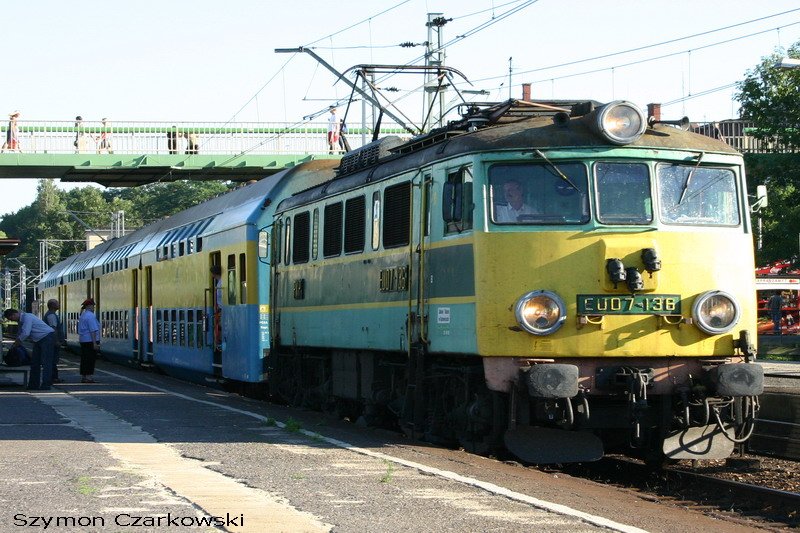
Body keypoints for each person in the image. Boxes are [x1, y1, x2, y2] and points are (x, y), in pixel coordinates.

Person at [2, 308, 56, 390]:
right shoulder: (21, 321)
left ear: (14, 314)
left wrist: (18, 342)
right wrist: (17, 341)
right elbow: (20, 332)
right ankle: (33, 385)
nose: (12, 320)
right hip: (38, 339)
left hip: (47, 337)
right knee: (35, 362)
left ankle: (46, 385)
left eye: (11, 318)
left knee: (46, 362)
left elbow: (26, 332)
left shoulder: (27, 317)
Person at [77, 298, 101, 383]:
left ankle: (84, 376)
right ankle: (88, 377)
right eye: (93, 306)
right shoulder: (90, 316)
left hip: (83, 340)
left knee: (84, 359)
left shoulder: (83, 315)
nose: (94, 307)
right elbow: (93, 330)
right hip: (90, 341)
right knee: (90, 359)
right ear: (89, 306)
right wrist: (95, 343)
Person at [43, 299, 64, 383]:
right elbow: (53, 329)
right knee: (52, 360)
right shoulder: (51, 315)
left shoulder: (51, 314)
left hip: (51, 341)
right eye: (57, 303)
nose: (59, 304)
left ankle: (54, 377)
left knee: (52, 360)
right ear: (52, 306)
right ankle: (53, 378)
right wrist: (56, 341)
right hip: (52, 341)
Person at [210, 265, 223, 349]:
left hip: (222, 310)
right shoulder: (220, 282)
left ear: (214, 274)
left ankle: (218, 344)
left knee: (218, 327)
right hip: (220, 309)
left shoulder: (221, 283)